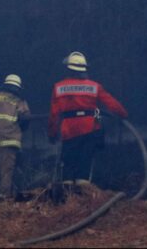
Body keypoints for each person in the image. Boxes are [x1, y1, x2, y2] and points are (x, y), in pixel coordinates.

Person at [48, 52, 128, 185]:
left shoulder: (59, 87)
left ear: (68, 69)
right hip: (90, 129)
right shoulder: (94, 86)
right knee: (85, 163)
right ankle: (83, 193)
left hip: (69, 131)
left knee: (68, 164)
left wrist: (52, 133)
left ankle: (67, 197)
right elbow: (111, 103)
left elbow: (54, 114)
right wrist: (123, 114)